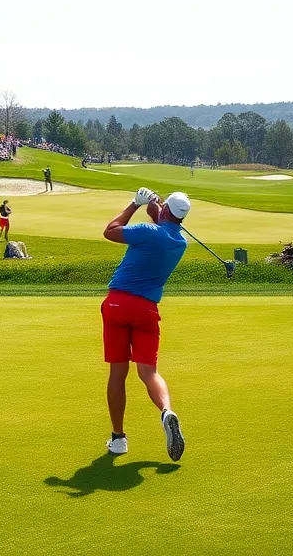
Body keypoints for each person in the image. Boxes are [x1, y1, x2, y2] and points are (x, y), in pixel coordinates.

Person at [100, 187, 190, 461]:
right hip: (147, 310)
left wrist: (135, 204)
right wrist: (158, 212)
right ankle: (166, 411)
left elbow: (111, 230)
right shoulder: (179, 243)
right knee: (149, 373)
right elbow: (162, 233)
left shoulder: (148, 232)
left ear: (165, 211)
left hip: (117, 304)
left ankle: (118, 439)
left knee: (118, 374)